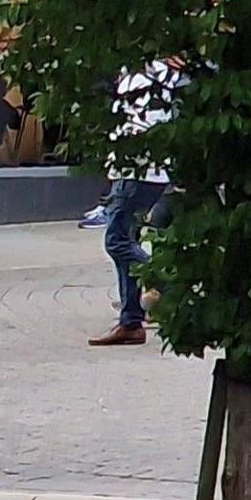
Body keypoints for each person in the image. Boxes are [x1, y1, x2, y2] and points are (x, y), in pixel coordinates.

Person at [89, 60, 179, 347]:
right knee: (125, 242)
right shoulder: (143, 71)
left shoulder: (148, 75)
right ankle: (131, 320)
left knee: (117, 241)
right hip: (139, 171)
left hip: (137, 172)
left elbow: (144, 126)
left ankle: (170, 286)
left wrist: (124, 160)